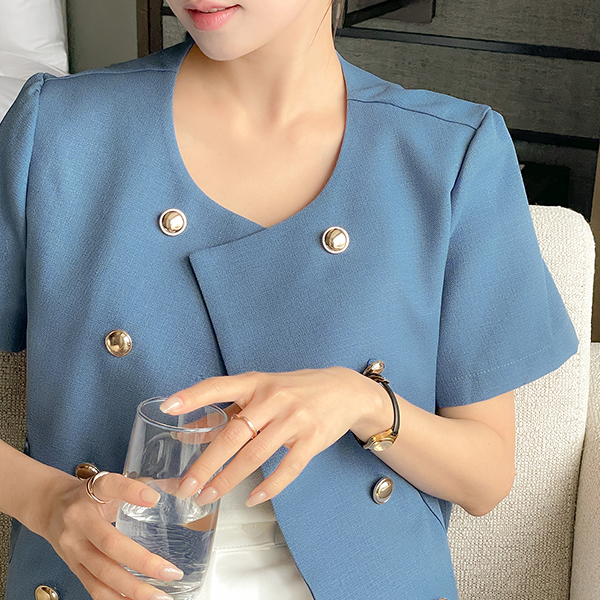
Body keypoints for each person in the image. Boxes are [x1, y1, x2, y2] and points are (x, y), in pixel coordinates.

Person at [0, 0, 579, 598]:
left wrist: (363, 403)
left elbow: (486, 478)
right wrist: (45, 500)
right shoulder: (59, 130)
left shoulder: (448, 154)